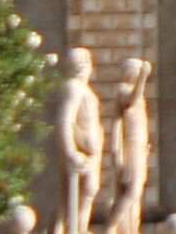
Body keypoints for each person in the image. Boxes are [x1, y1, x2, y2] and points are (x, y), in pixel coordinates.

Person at [49, 49, 104, 234]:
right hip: (80, 152)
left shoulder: (83, 88)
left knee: (89, 190)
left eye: (85, 61)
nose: (83, 66)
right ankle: (69, 229)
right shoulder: (73, 87)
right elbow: (65, 120)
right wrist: (70, 151)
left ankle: (80, 228)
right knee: (76, 195)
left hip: (90, 151)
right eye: (78, 62)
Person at [105, 59, 152, 234]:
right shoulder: (122, 89)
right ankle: (111, 227)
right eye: (136, 71)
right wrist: (143, 77)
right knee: (133, 188)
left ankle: (129, 227)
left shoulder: (137, 93)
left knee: (136, 190)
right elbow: (133, 98)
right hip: (131, 143)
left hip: (140, 145)